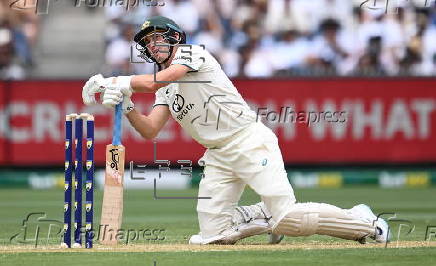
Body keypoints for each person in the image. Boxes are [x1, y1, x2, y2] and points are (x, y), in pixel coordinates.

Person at [82, 16, 390, 245]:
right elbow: (150, 130)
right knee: (212, 236)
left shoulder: (192, 53)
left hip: (248, 140)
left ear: (174, 37)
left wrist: (115, 82)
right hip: (218, 156)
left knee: (289, 217)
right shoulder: (165, 86)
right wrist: (128, 106)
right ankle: (264, 215)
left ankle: (363, 221)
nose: (152, 45)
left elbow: (154, 82)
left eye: (156, 38)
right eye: (147, 43)